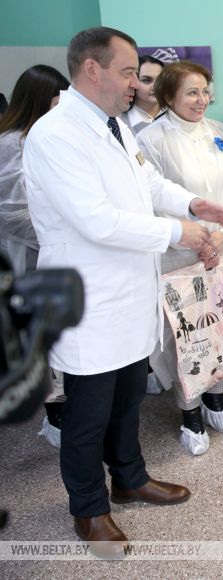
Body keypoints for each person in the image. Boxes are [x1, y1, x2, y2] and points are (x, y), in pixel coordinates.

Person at [22, 27, 223, 558]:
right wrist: (180, 232)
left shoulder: (112, 125)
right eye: (127, 72)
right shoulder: (56, 134)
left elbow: (148, 183)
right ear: (91, 69)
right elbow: (96, 220)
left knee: (128, 399)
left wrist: (192, 204)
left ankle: (130, 478)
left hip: (130, 291)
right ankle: (89, 510)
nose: (136, 84)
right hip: (90, 299)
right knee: (88, 414)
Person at [137, 61, 223, 455]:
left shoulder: (220, 132)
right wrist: (197, 237)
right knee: (186, 337)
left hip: (222, 248)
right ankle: (189, 413)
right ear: (169, 95)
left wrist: (221, 234)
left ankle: (215, 400)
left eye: (205, 91)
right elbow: (151, 201)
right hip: (178, 254)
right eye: (191, 92)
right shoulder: (151, 139)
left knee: (222, 326)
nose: (201, 99)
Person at [0, 65, 70, 446]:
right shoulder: (11, 143)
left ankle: (63, 406)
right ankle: (54, 416)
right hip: (27, 256)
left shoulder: (53, 137)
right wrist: (57, 238)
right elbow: (12, 213)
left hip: (57, 252)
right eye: (55, 105)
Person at [120, 54, 164, 135]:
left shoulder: (177, 116)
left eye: (160, 80)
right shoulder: (118, 122)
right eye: (146, 80)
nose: (156, 86)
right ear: (133, 82)